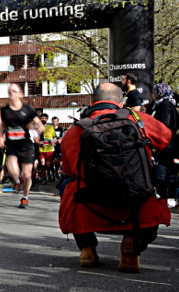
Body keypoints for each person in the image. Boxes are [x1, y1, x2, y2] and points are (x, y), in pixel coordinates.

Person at [59, 82, 171, 272]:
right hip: (137, 199)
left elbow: (70, 170)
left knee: (69, 187)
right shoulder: (137, 119)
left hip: (92, 201)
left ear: (92, 101)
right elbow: (165, 138)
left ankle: (87, 250)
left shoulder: (76, 130)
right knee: (152, 199)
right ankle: (132, 248)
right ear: (120, 102)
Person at [0, 83, 44, 208]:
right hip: (12, 145)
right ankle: (17, 181)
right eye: (9, 91)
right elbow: (3, 126)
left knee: (27, 174)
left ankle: (25, 197)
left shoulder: (28, 109)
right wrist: (1, 137)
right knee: (12, 169)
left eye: (13, 91)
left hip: (26, 145)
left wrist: (35, 131)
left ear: (20, 94)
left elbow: (40, 126)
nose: (11, 93)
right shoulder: (5, 111)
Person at [38, 113, 57, 183]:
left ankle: (51, 175)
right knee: (43, 164)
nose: (44, 119)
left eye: (45, 118)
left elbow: (54, 136)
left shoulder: (50, 127)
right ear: (40, 119)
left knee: (49, 164)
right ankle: (44, 178)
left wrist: (53, 142)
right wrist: (39, 142)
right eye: (42, 118)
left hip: (49, 149)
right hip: (41, 149)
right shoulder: (37, 127)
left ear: (47, 119)